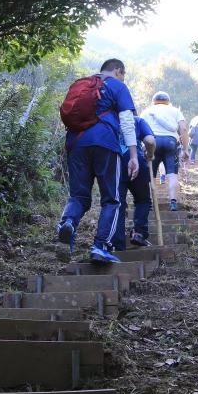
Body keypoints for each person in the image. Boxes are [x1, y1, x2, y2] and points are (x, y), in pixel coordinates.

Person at [57, 58, 140, 264]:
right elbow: (128, 122)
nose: (123, 78)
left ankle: (68, 222)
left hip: (76, 143)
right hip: (105, 143)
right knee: (112, 199)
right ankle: (101, 246)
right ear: (118, 71)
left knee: (78, 196)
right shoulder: (117, 86)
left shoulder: (83, 83)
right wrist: (133, 155)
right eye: (124, 74)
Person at [140, 91, 189, 211]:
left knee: (151, 175)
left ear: (153, 101)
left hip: (152, 142)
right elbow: (183, 128)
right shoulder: (175, 111)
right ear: (168, 101)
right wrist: (185, 149)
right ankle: (173, 202)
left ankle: (150, 202)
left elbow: (139, 127)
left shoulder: (147, 111)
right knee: (172, 175)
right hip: (171, 142)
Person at [114, 115, 156, 250]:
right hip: (136, 161)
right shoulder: (137, 120)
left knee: (117, 204)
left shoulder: (108, 120)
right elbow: (150, 141)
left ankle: (117, 244)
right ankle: (139, 233)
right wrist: (150, 154)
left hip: (114, 164)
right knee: (143, 200)